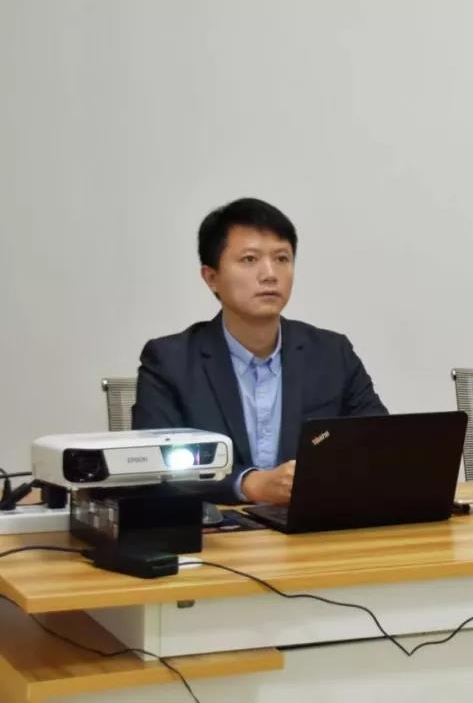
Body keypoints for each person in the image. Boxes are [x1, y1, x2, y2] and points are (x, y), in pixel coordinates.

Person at [132, 197, 387, 504]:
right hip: (218, 527)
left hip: (311, 523)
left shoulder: (332, 354)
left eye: (282, 258)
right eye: (250, 259)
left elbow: (380, 445)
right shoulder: (169, 361)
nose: (270, 274)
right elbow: (155, 469)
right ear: (211, 278)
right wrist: (248, 484)